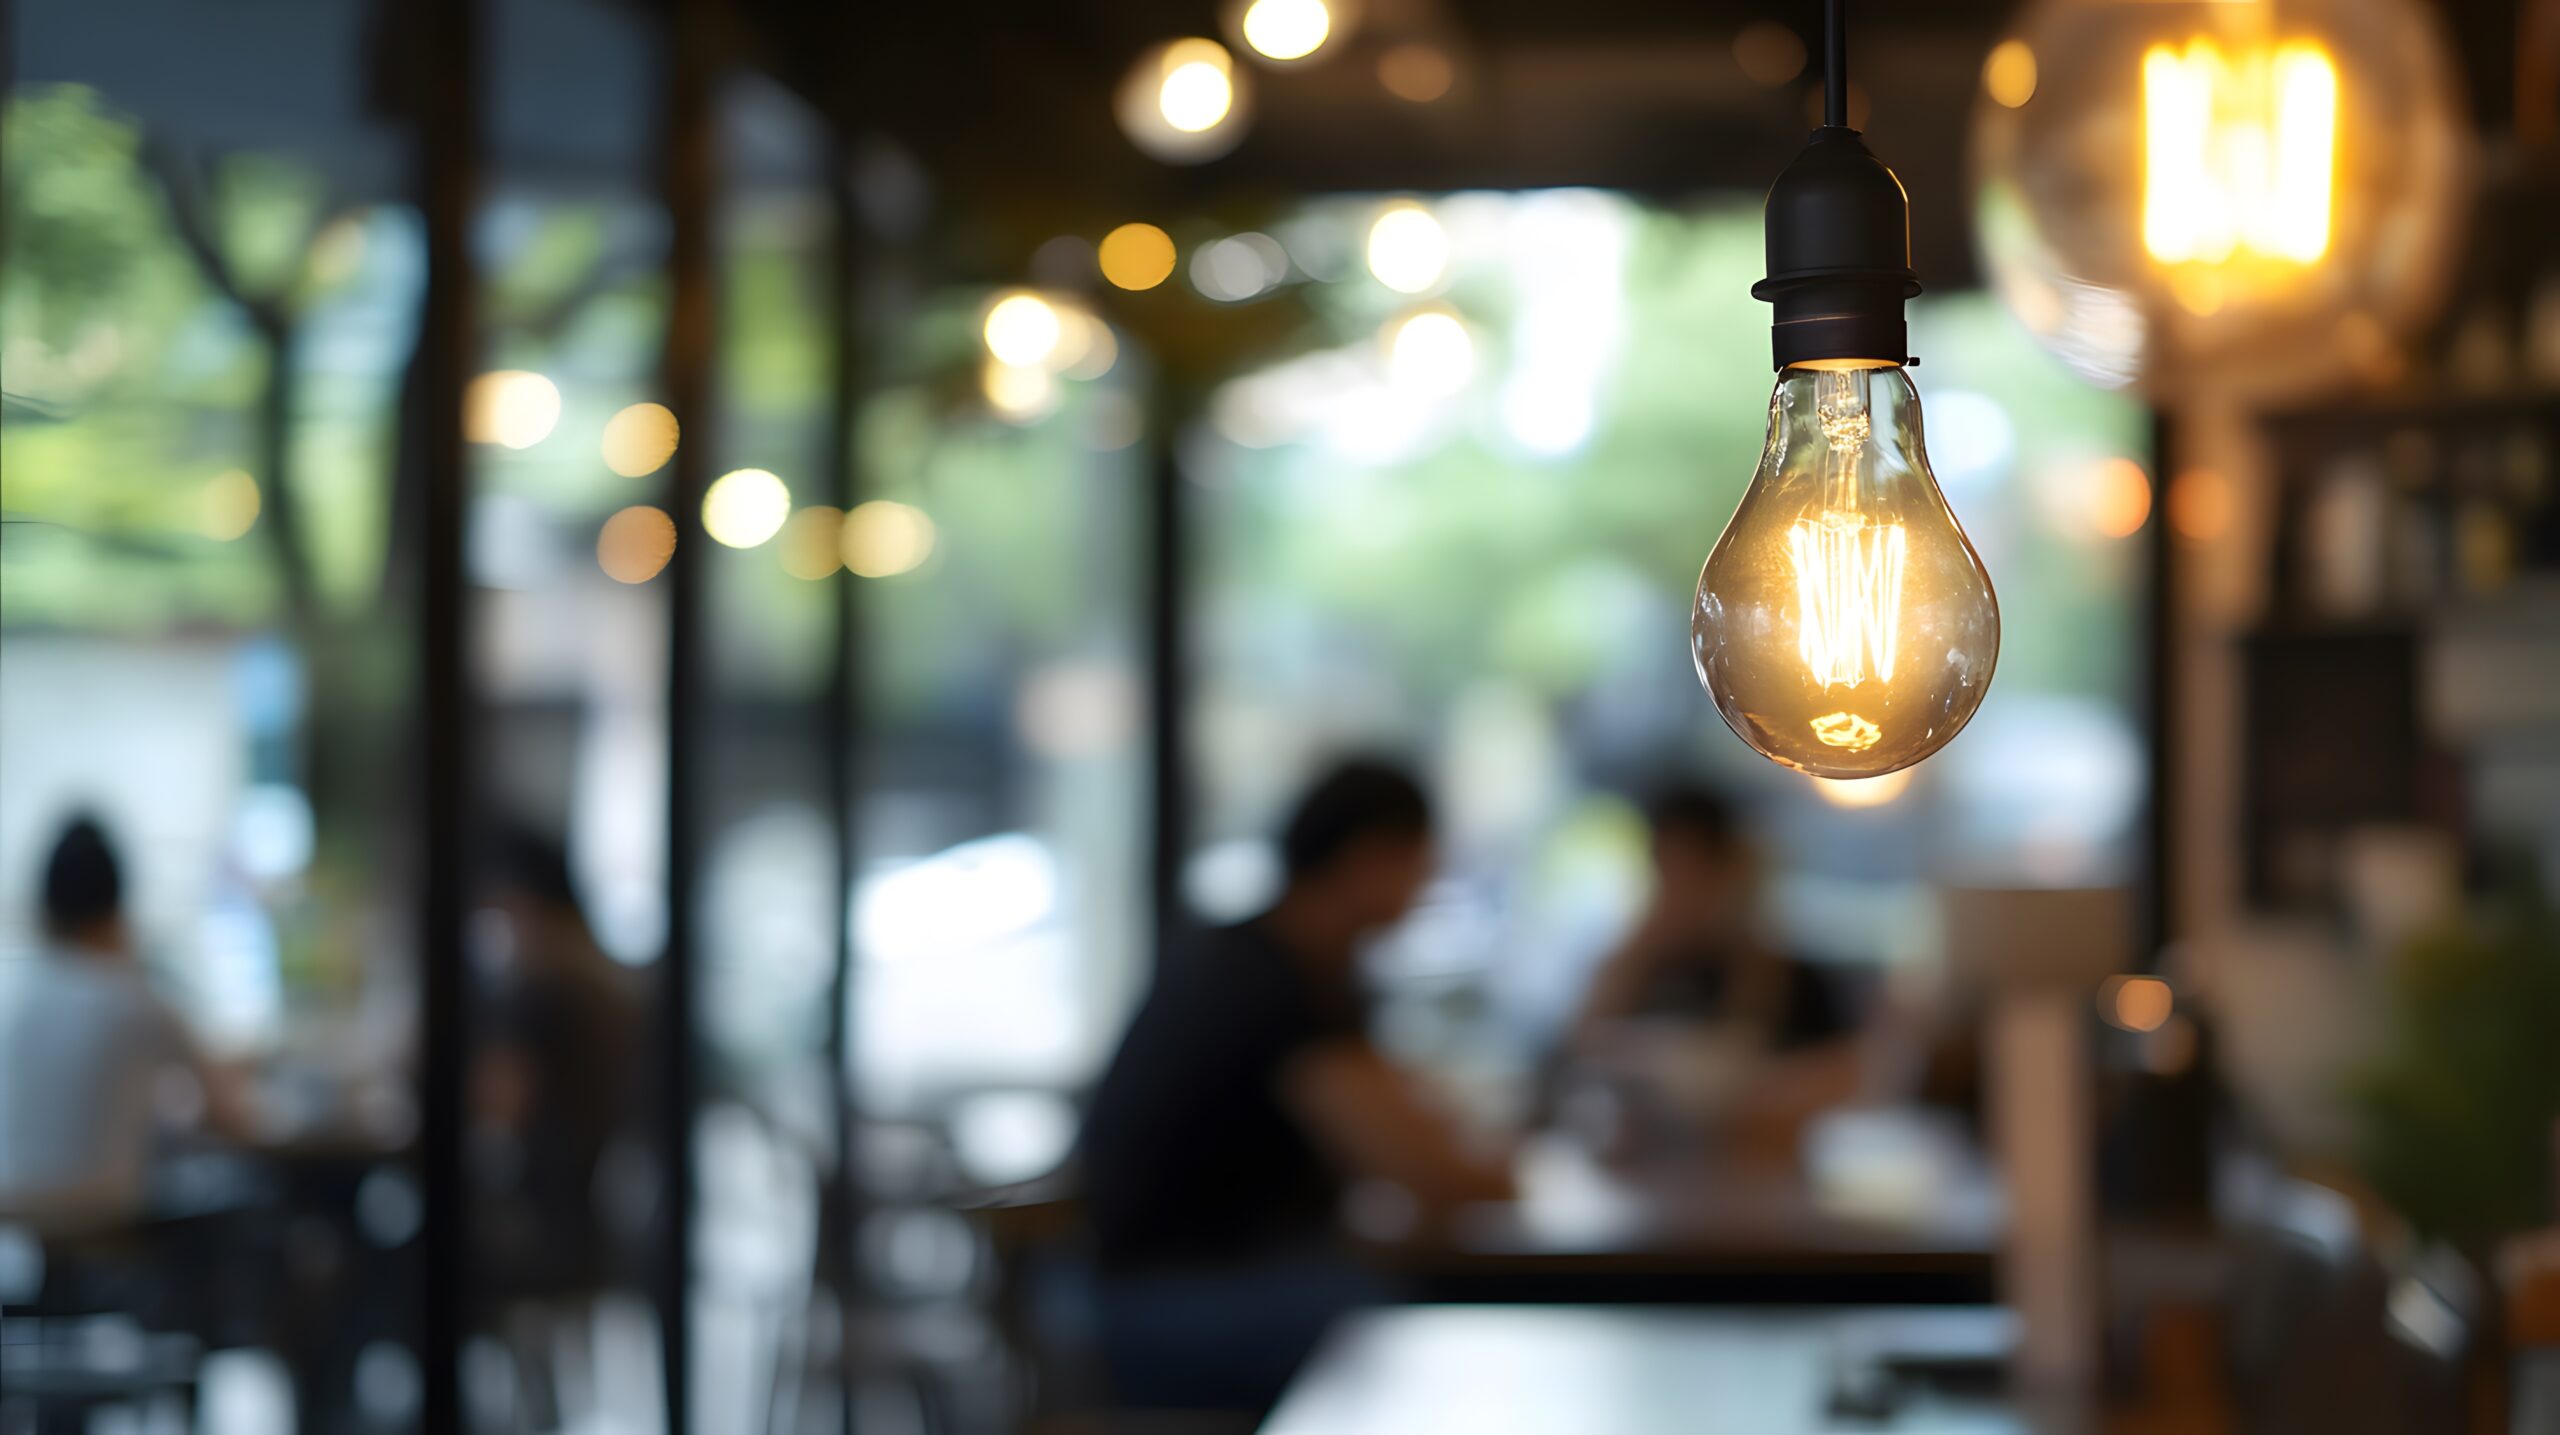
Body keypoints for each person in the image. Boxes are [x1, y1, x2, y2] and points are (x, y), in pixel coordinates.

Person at [1079, 759, 1510, 1410]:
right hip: (1155, 1303)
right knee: (1396, 1331)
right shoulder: (1266, 982)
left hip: (1173, 1283)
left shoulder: (1279, 960)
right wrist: (1492, 1166)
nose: (1427, 881)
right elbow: (1428, 1170)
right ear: (1369, 857)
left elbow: (1408, 1135)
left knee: (1399, 1314)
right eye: (1420, 857)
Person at [1562, 785, 1861, 1153]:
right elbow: (1577, 1054)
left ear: (1731, 869)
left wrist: (1749, 1094)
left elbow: (1849, 1073)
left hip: (1762, 1185)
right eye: (1667, 870)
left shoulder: (1787, 974)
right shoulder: (1637, 969)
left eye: (1696, 871)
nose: (1681, 890)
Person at [0, 814, 249, 1230]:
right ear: (119, 910)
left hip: (11, 1200)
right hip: (101, 1204)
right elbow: (233, 1113)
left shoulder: (17, 992)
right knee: (232, 1197)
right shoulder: (135, 996)